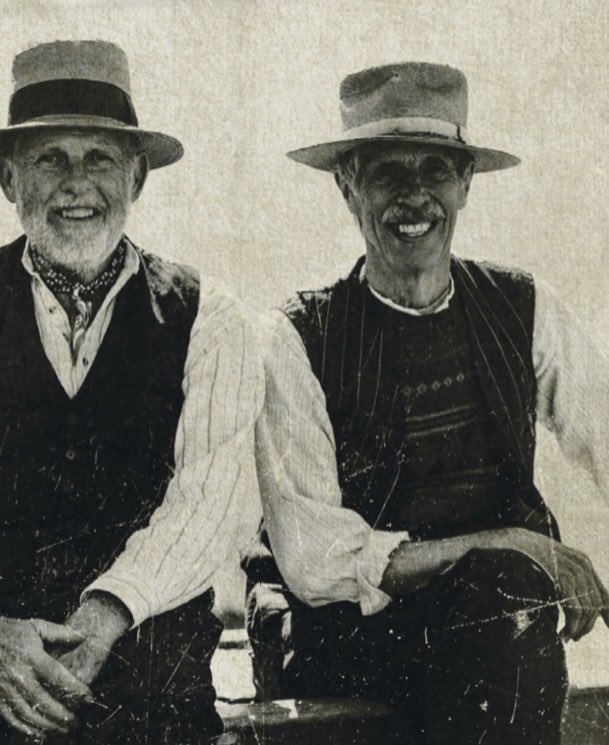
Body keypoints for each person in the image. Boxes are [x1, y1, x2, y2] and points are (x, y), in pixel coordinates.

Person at [0, 40, 262, 744]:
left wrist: (108, 613)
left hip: (130, 628)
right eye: (51, 159)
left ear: (136, 177)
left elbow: (212, 502)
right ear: (8, 180)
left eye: (100, 158)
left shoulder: (211, 316)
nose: (77, 184)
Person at [243, 62, 609, 745]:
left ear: (465, 183)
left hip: (495, 637)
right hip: (348, 644)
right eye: (387, 174)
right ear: (347, 187)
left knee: (508, 603)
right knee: (508, 587)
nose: (414, 198)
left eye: (434, 171)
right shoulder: (296, 337)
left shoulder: (521, 307)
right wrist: (514, 542)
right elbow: (319, 565)